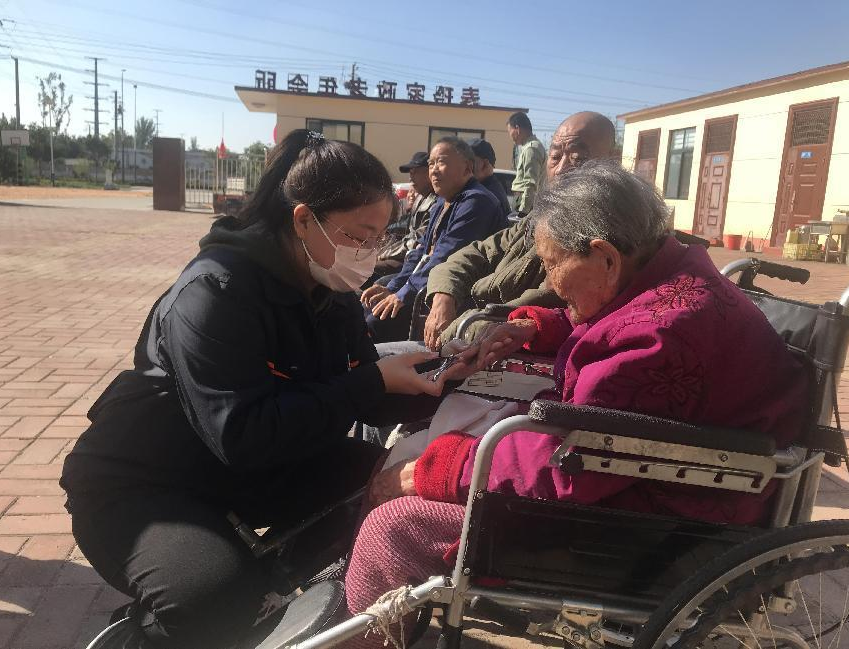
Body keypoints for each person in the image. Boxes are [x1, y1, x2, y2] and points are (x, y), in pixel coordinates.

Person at [343, 161, 810, 648]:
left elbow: (572, 464)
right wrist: (537, 326)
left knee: (393, 523)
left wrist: (435, 470)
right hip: (646, 476)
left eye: (551, 264)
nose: (550, 280)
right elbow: (617, 322)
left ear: (605, 257)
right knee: (415, 455)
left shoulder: (663, 334)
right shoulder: (669, 275)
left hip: (656, 521)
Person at [60, 130, 456, 649]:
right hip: (145, 483)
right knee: (216, 599)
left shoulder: (329, 292)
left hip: (246, 466)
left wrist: (450, 374)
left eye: (379, 238)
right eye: (360, 236)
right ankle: (147, 632)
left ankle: (276, 590)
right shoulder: (215, 292)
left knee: (384, 483)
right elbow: (243, 434)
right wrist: (371, 380)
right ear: (303, 219)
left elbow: (365, 388)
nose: (369, 253)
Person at [424, 111, 616, 350]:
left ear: (613, 161)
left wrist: (451, 330)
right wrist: (444, 295)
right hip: (465, 327)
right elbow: (474, 253)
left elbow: (524, 315)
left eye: (577, 158)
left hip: (487, 345)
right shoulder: (538, 219)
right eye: (555, 157)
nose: (561, 170)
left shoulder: (599, 235)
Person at [361, 137, 508, 343]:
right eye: (431, 164)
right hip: (427, 281)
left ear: (467, 168)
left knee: (378, 320)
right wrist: (394, 287)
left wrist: (403, 294)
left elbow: (446, 256)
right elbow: (421, 250)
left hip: (458, 292)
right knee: (376, 295)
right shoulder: (442, 201)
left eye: (441, 162)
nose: (434, 170)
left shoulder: (477, 202)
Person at [374, 151, 437, 277]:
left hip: (413, 260)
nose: (410, 177)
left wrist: (386, 253)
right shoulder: (421, 198)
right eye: (410, 173)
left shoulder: (435, 203)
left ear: (428, 173)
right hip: (406, 256)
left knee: (369, 270)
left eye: (415, 172)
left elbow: (417, 240)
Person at [507, 111, 546, 216]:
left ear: (517, 129)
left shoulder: (531, 149)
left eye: (509, 131)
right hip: (523, 202)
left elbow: (530, 183)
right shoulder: (529, 147)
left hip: (525, 206)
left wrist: (523, 211)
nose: (510, 136)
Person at [469, 138, 511, 216]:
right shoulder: (489, 188)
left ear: (485, 164)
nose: (464, 167)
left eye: (470, 162)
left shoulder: (483, 196)